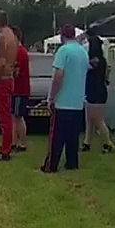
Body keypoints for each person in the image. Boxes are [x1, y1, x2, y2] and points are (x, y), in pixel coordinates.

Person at [42, 24, 90, 173]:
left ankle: (51, 165)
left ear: (62, 36)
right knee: (73, 136)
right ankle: (72, 162)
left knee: (57, 136)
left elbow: (59, 75)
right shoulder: (83, 52)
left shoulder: (63, 51)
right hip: (77, 101)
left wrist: (51, 97)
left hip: (63, 101)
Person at [0, 10, 18, 161]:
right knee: (6, 116)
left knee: (3, 117)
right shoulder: (12, 35)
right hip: (9, 78)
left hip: (2, 80)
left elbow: (1, 61)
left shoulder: (1, 37)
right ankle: (4, 147)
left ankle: (6, 150)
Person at [82, 29, 114, 153]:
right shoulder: (102, 60)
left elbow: (87, 67)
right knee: (89, 119)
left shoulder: (95, 61)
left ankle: (107, 143)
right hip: (94, 90)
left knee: (98, 120)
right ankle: (87, 142)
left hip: (96, 92)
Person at [11, 25, 31, 153]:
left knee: (18, 117)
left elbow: (16, 72)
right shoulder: (16, 51)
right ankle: (14, 142)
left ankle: (22, 143)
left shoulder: (20, 52)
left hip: (20, 90)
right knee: (14, 116)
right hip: (16, 90)